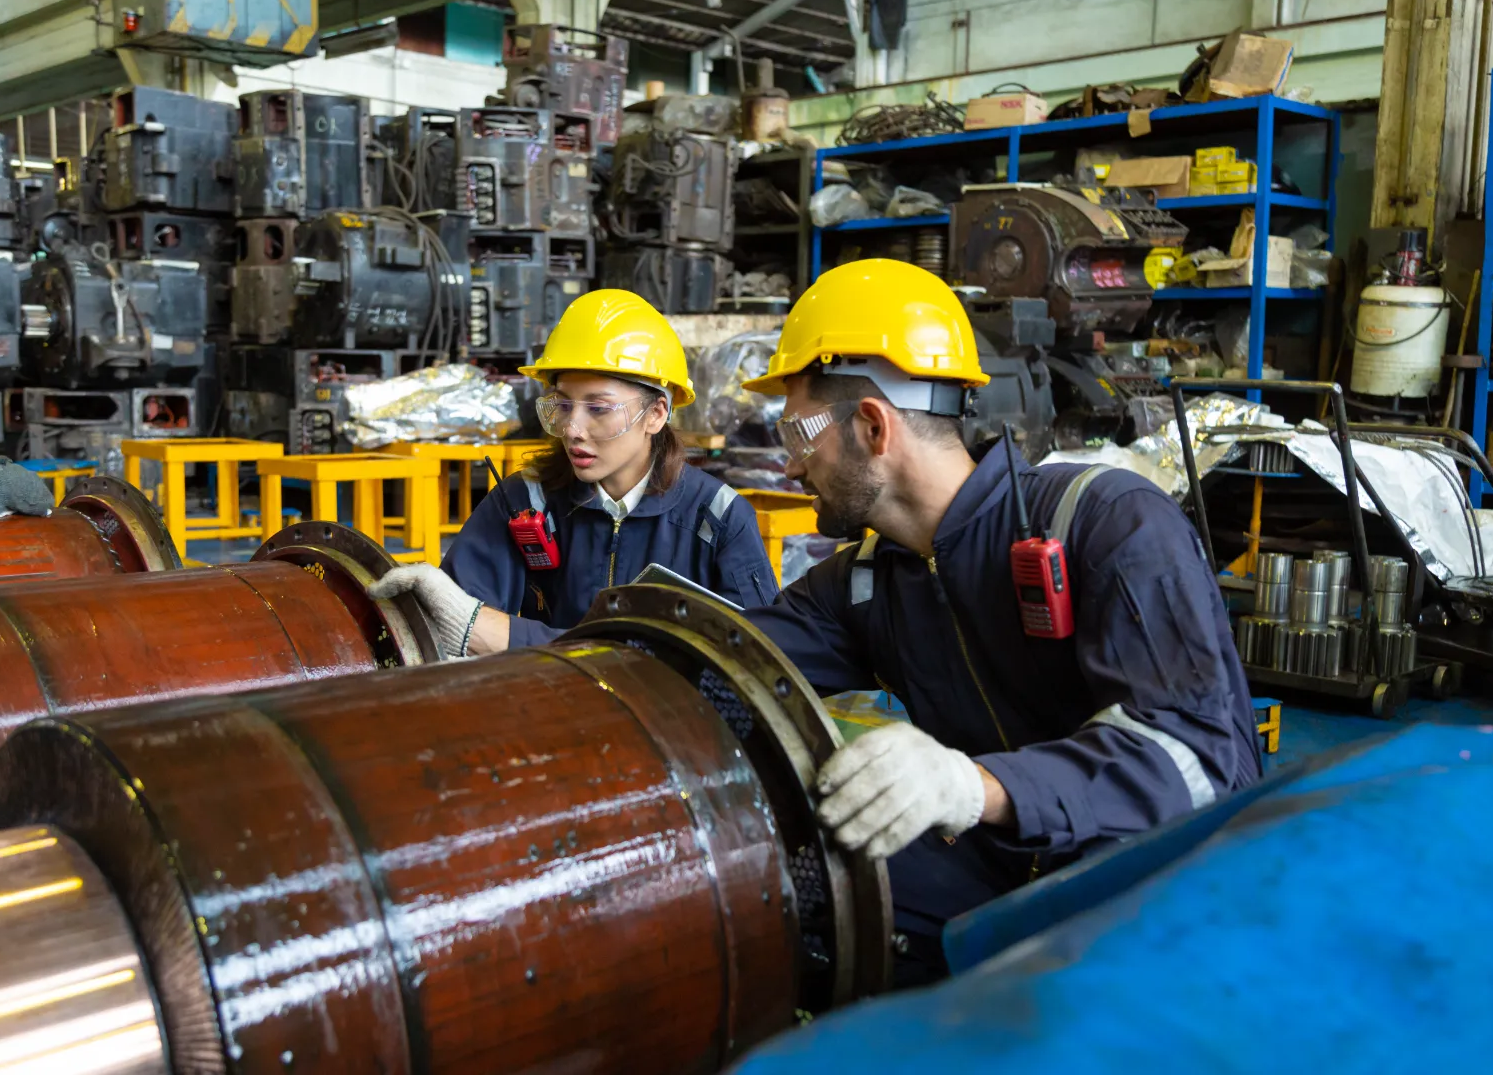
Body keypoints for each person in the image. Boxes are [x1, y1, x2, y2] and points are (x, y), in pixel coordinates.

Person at [735, 259, 1261, 984]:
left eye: (798, 437)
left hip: (1164, 889)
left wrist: (970, 786)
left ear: (872, 425)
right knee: (795, 880)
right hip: (1006, 862)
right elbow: (730, 657)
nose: (791, 468)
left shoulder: (1107, 522)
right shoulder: (866, 580)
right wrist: (551, 659)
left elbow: (1190, 765)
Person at [369, 289, 777, 656]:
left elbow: (752, 666)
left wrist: (488, 631)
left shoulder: (717, 520)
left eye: (598, 409)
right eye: (562, 406)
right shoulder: (525, 502)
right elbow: (451, 626)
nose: (573, 429)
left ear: (655, 414)